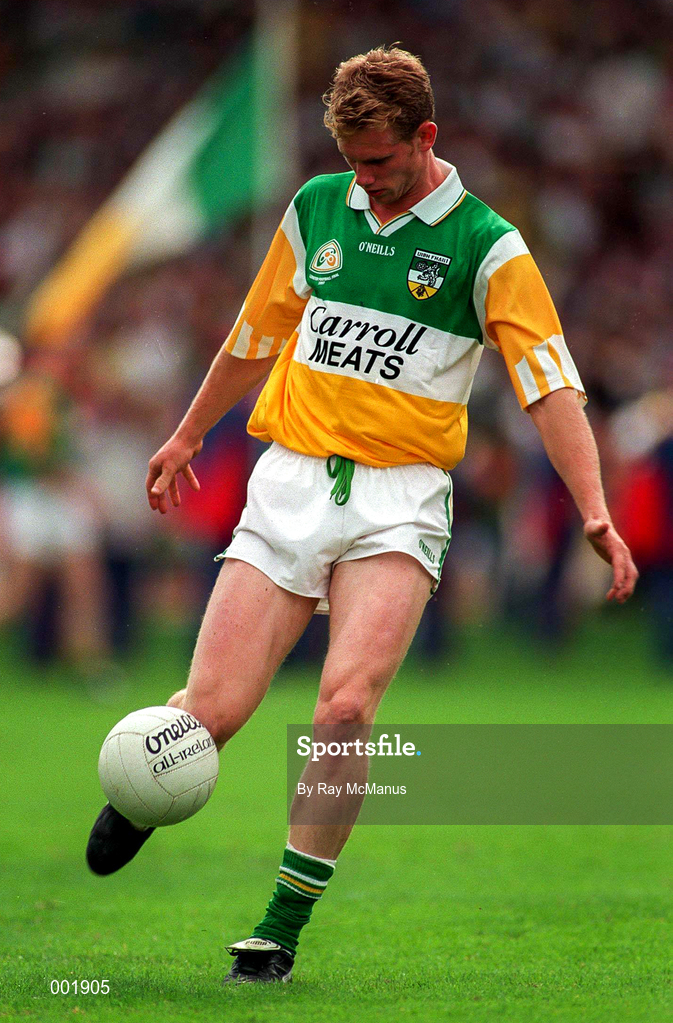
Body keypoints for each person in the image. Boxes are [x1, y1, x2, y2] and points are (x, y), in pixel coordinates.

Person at [86, 46, 638, 983]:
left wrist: (593, 508)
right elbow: (255, 335)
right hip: (290, 480)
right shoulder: (315, 209)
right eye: (350, 159)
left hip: (401, 497)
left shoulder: (488, 246)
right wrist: (186, 435)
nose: (363, 179)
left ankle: (278, 929)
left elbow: (548, 387)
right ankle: (145, 789)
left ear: (426, 137)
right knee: (208, 718)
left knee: (344, 709)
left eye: (378, 161)